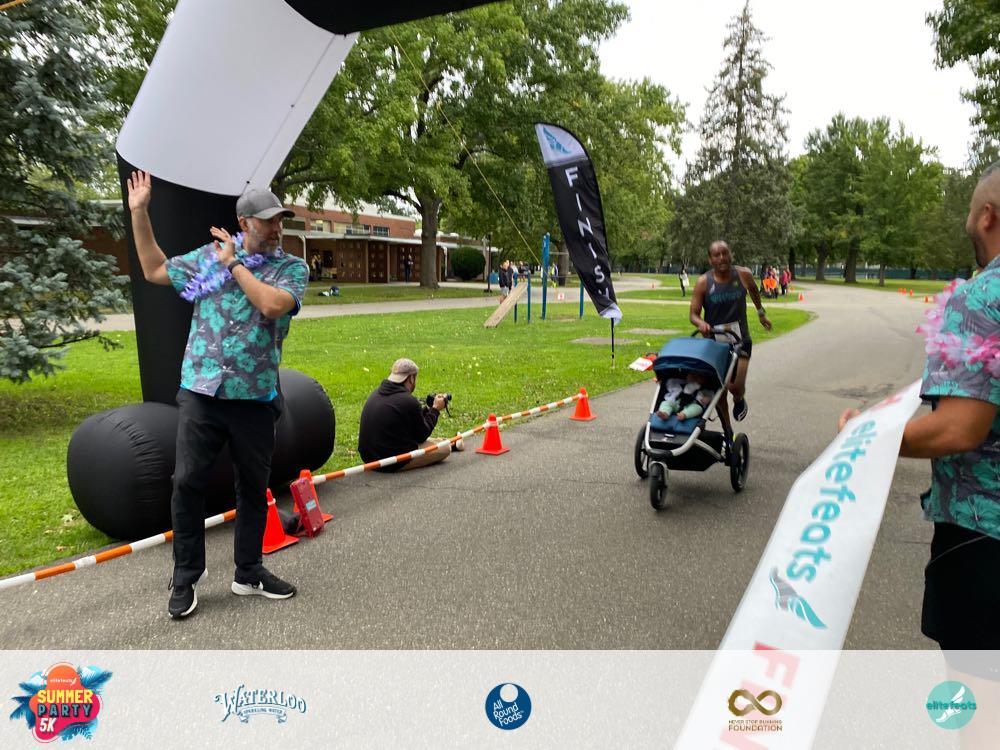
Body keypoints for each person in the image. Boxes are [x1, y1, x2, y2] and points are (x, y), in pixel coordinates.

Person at [126, 170, 308, 619]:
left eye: (280, 220)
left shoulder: (291, 268)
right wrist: (140, 213)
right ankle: (186, 575)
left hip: (254, 398)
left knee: (253, 488)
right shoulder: (208, 258)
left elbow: (270, 305)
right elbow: (153, 269)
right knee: (187, 482)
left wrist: (234, 265)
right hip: (202, 391)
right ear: (244, 222)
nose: (277, 228)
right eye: (268, 220)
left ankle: (248, 572)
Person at [838, 162, 1000, 657]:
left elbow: (959, 429)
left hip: (982, 539)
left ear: (988, 216)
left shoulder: (980, 297)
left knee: (977, 699)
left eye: (969, 212)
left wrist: (868, 437)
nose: (967, 223)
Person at [689, 240, 772, 435]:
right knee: (720, 389)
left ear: (730, 254)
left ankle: (738, 398)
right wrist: (700, 323)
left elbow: (754, 292)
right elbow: (693, 314)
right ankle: (727, 430)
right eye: (716, 255)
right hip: (715, 342)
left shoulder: (743, 274)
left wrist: (761, 314)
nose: (722, 258)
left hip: (740, 339)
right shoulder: (703, 282)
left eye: (725, 253)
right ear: (710, 259)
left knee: (735, 386)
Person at [358, 358, 454, 471]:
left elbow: (411, 423)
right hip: (391, 462)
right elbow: (422, 435)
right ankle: (448, 443)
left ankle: (447, 441)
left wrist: (428, 409)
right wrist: (435, 409)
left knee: (433, 443)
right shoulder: (408, 400)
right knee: (445, 448)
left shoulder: (375, 393)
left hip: (368, 458)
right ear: (411, 378)